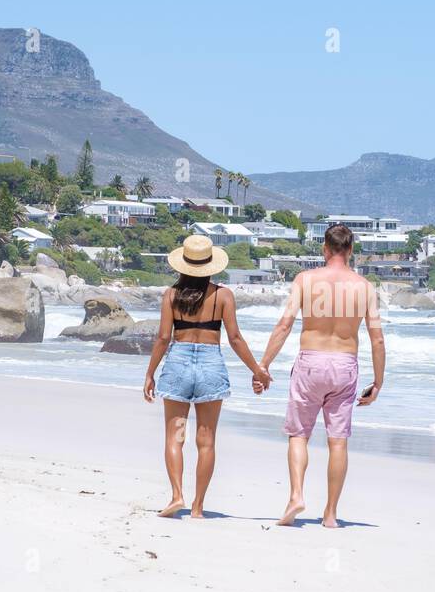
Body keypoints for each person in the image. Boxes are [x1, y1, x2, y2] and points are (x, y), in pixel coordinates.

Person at [255, 223, 386, 527]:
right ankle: (330, 515)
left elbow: (285, 325)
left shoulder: (305, 280)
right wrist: (378, 383)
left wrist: (264, 365)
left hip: (310, 364)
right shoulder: (364, 287)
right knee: (337, 442)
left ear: (325, 249)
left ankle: (296, 495)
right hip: (345, 365)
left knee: (299, 434)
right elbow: (377, 339)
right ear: (351, 250)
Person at [144, 234, 271, 517]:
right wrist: (257, 370)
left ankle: (177, 496)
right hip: (211, 364)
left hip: (178, 363)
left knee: (175, 436)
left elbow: (164, 338)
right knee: (207, 441)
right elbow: (235, 338)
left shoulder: (171, 295)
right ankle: (198, 508)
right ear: (211, 265)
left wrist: (150, 373)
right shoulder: (223, 296)